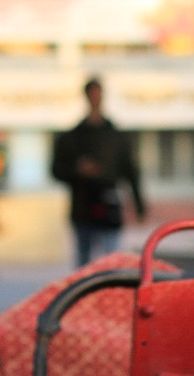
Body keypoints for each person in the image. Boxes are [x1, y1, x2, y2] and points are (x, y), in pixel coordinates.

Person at [51, 78, 146, 266]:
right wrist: (78, 170)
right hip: (82, 206)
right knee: (83, 264)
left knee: (111, 262)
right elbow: (56, 170)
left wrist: (139, 204)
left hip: (108, 207)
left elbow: (131, 172)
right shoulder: (72, 137)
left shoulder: (116, 137)